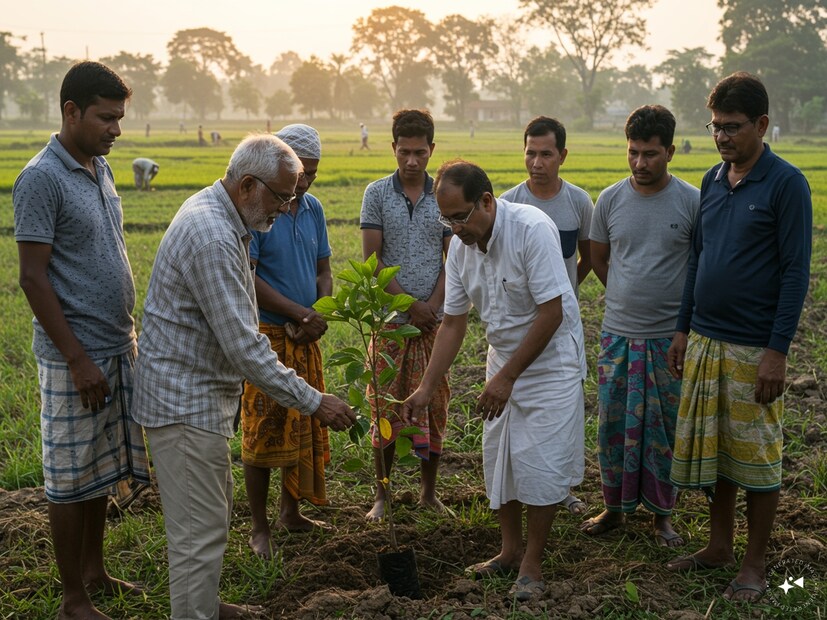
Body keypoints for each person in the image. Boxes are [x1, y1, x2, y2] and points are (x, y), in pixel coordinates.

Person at [132, 133, 356, 620]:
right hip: (183, 402)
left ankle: (205, 605)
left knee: (208, 520)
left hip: (195, 396)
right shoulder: (213, 235)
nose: (288, 207)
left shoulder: (220, 214)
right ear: (249, 184)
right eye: (282, 196)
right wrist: (317, 401)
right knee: (199, 533)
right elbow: (244, 346)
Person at [403, 160, 587, 602]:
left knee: (539, 462)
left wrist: (507, 379)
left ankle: (532, 563)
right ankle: (509, 550)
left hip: (550, 362)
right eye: (446, 219)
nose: (455, 228)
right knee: (500, 456)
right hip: (503, 359)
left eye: (460, 217)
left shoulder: (531, 230)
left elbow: (552, 312)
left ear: (487, 201)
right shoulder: (462, 247)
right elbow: (452, 323)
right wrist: (426, 386)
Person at [666, 73, 812, 602]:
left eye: (733, 127)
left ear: (762, 125)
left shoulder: (786, 183)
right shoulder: (710, 180)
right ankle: (718, 546)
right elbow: (697, 260)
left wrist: (778, 351)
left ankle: (753, 565)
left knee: (757, 457)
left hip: (754, 346)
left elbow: (796, 272)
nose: (722, 137)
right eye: (715, 127)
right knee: (719, 452)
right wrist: (682, 328)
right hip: (705, 338)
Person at [13, 60, 150, 620]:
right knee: (70, 476)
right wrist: (77, 358)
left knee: (101, 467)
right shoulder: (40, 177)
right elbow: (32, 276)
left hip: (116, 344)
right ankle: (73, 598)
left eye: (120, 118)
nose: (117, 129)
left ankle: (96, 571)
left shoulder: (99, 167)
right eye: (106, 118)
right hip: (78, 357)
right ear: (70, 112)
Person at [581, 105, 699, 547]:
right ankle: (614, 508)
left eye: (650, 154)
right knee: (613, 425)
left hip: (670, 339)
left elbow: (699, 266)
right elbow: (598, 258)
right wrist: (626, 294)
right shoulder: (610, 199)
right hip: (618, 335)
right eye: (633, 153)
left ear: (670, 151)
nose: (640, 163)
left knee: (663, 430)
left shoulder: (691, 201)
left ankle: (661, 515)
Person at [240, 124, 333, 558]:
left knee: (301, 425)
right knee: (263, 432)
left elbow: (323, 271)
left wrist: (320, 312)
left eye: (311, 174)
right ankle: (259, 527)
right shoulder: (259, 209)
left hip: (305, 335)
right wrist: (298, 313)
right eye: (299, 173)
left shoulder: (312, 209)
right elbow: (249, 278)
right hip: (269, 335)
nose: (304, 183)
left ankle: (290, 510)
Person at [360, 109, 452, 522]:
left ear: (432, 150)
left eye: (419, 152)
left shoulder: (445, 194)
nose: (411, 161)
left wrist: (432, 305)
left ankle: (428, 493)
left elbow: (456, 258)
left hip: (436, 321)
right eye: (404, 152)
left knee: (433, 404)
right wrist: (409, 304)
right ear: (393, 148)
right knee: (385, 406)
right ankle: (383, 495)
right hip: (391, 322)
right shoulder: (377, 194)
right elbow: (373, 261)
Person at [500, 115, 593, 516]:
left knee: (564, 409)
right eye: (530, 153)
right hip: (521, 324)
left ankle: (563, 487)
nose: (537, 162)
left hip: (563, 325)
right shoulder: (508, 204)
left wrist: (565, 289)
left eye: (546, 154)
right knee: (519, 407)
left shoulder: (577, 202)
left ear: (563, 156)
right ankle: (523, 485)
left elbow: (588, 255)